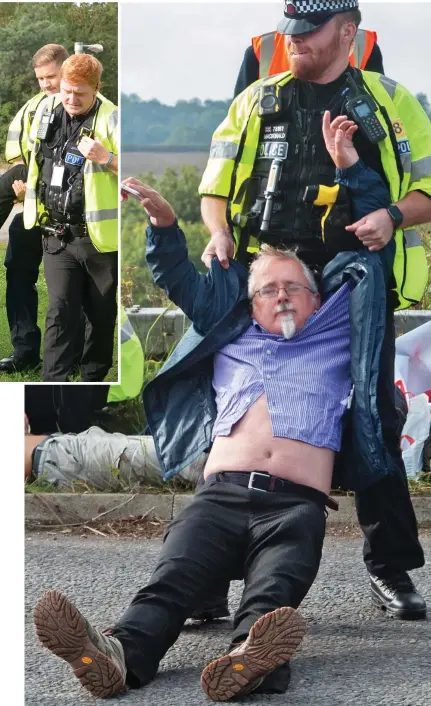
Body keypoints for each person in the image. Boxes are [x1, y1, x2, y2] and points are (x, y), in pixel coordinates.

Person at [34, 175, 400, 700]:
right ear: (250, 304)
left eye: (293, 287)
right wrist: (163, 224)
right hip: (219, 496)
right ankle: (115, 655)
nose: (282, 296)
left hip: (295, 507)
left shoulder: (339, 332)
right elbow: (178, 278)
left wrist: (351, 174)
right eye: (268, 289)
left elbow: (373, 259)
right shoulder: (231, 331)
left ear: (317, 297)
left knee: (273, 594)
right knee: (170, 582)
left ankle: (248, 658)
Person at [198, 0, 429, 623]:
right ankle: (208, 575)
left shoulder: (391, 101)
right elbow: (215, 189)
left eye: (308, 32)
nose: (293, 42)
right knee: (236, 410)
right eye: (288, 33)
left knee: (375, 409)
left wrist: (392, 215)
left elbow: (428, 188)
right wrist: (218, 234)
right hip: (269, 278)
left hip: (354, 284)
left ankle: (391, 566)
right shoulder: (255, 100)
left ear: (347, 32)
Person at [23, 53, 119, 381]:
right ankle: (54, 386)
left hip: (98, 240)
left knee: (101, 317)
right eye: (66, 90)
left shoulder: (113, 119)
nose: (70, 99)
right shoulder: (46, 113)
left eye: (80, 93)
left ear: (96, 89)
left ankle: (92, 386)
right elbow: (36, 159)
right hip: (57, 235)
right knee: (60, 310)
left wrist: (108, 159)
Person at [0, 44, 70, 373]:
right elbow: (18, 156)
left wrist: (39, 185)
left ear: (67, 69)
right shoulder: (33, 107)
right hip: (32, 207)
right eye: (40, 78)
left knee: (66, 291)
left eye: (51, 76)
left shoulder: (84, 106)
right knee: (17, 272)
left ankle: (74, 358)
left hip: (68, 213)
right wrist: (22, 183)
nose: (45, 84)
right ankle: (24, 351)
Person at [234, 1, 383, 97]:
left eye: (311, 29)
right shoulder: (261, 51)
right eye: (291, 28)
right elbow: (236, 132)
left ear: (348, 31)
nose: (294, 38)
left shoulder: (365, 49)